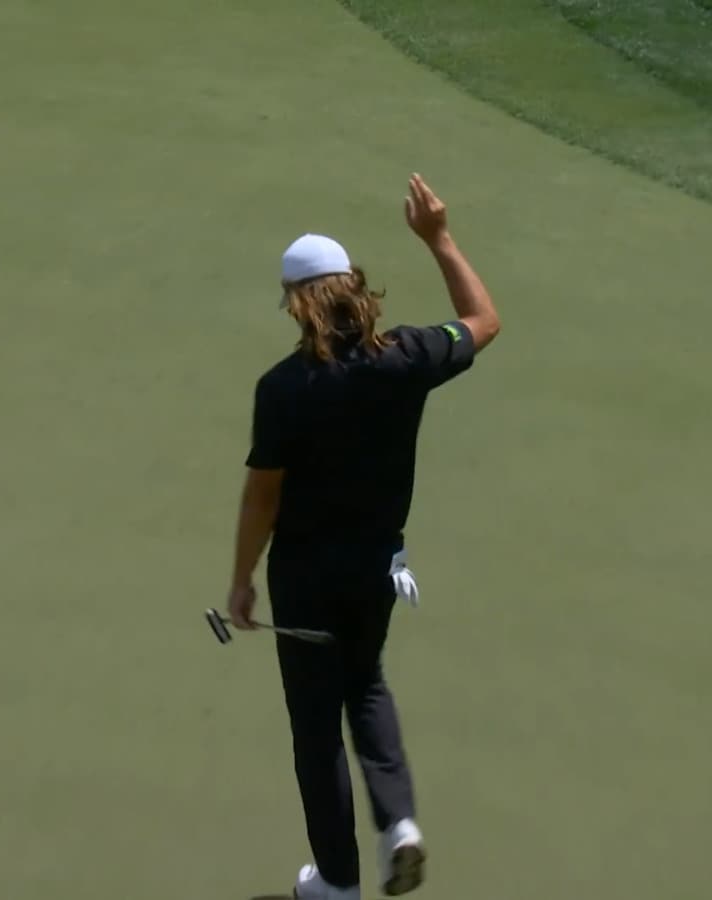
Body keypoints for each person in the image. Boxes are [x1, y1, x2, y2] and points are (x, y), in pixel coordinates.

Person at [224, 174, 501, 899]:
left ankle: (339, 885)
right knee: (367, 683)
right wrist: (438, 238)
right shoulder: (407, 356)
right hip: (378, 568)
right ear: (354, 289)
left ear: (294, 301)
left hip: (306, 578)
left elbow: (262, 495)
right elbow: (483, 318)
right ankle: (400, 824)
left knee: (317, 730)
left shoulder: (283, 387)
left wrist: (241, 580)